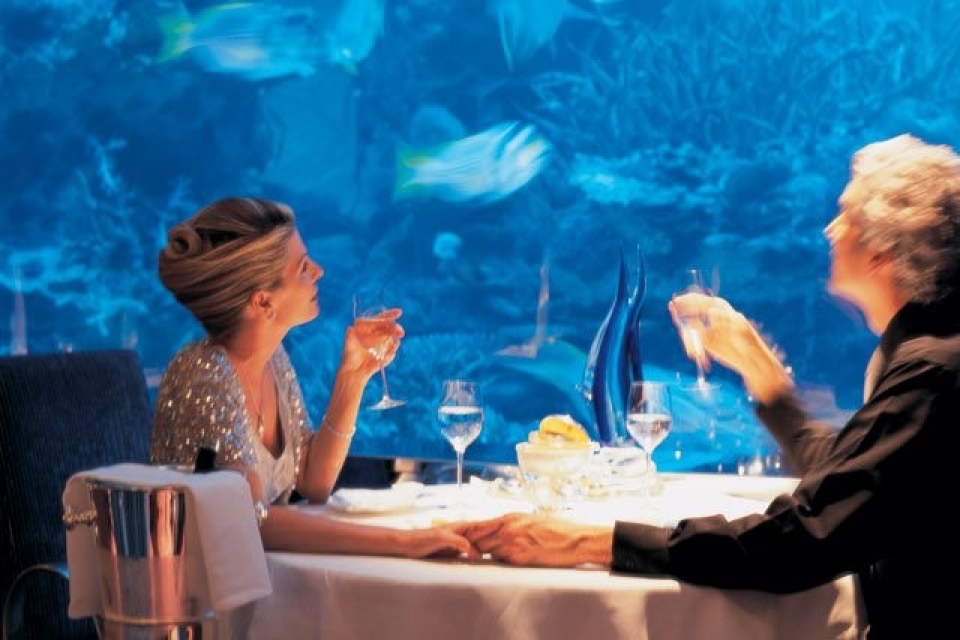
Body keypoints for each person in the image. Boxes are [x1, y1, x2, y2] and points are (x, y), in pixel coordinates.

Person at [455, 134, 960, 639]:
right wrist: (763, 374)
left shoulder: (932, 373)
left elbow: (804, 539)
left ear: (880, 253)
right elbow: (856, 488)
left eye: (845, 214)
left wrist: (587, 543)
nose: (830, 229)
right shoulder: (926, 354)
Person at [150, 196, 477, 559]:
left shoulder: (273, 359)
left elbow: (313, 482)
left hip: (262, 575)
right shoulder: (204, 375)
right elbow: (250, 521)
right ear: (263, 302)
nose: (319, 271)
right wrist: (404, 542)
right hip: (206, 588)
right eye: (304, 267)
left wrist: (352, 377)